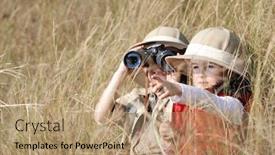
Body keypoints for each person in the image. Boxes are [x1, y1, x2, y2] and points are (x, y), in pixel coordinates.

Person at [151, 27, 252, 154]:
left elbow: (212, 102)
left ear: (230, 72)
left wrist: (178, 89)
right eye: (195, 67)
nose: (201, 74)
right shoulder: (184, 103)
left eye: (210, 66)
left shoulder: (235, 102)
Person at [94, 26, 189, 154]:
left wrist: (175, 81)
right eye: (147, 64)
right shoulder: (141, 99)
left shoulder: (194, 98)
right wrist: (121, 71)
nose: (154, 71)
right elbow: (101, 117)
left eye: (164, 60)